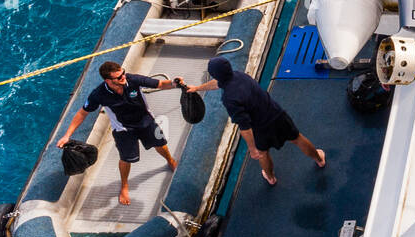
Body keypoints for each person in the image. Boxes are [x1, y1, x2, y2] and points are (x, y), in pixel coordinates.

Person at [57, 60, 183, 206]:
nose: (123, 77)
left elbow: (160, 84)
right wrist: (67, 135)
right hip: (123, 130)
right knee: (126, 159)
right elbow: (82, 113)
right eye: (119, 77)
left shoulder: (132, 79)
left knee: (160, 144)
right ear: (108, 80)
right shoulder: (99, 94)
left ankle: (170, 161)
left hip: (146, 121)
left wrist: (174, 83)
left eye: (123, 73)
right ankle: (124, 185)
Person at [191, 56, 325, 186]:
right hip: (276, 114)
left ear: (215, 75)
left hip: (261, 128)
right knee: (297, 138)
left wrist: (252, 148)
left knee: (263, 153)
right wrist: (197, 88)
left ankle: (271, 178)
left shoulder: (229, 98)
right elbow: (219, 83)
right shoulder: (240, 75)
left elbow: (245, 127)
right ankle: (319, 159)